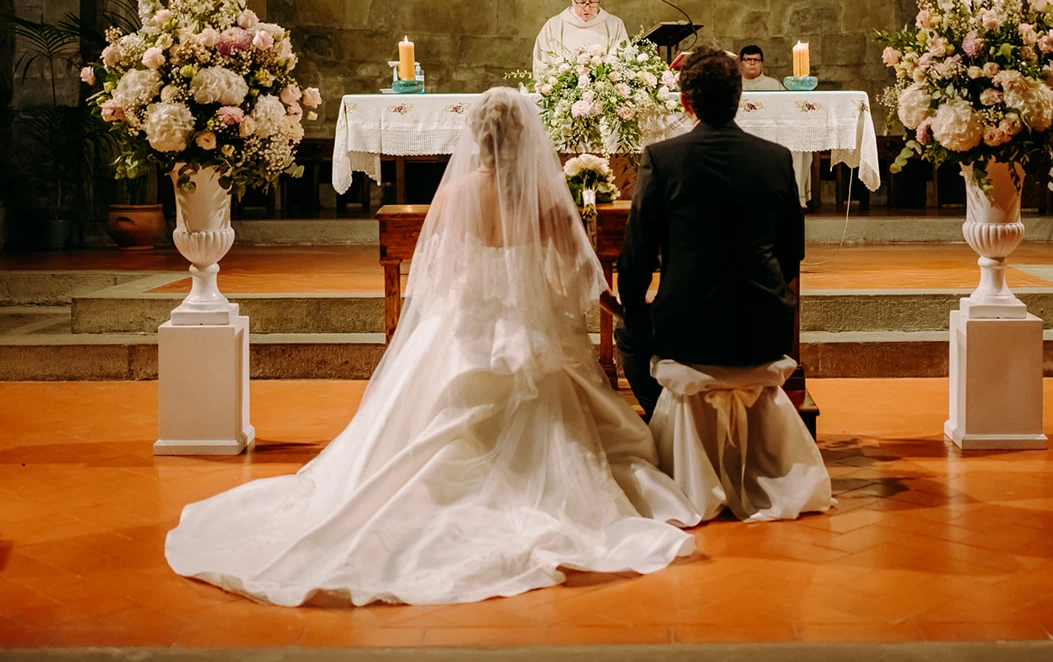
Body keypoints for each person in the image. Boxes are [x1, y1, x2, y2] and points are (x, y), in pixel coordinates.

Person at [166, 88, 699, 607]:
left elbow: (440, 273)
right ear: (525, 139)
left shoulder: (459, 191)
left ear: (479, 140)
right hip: (528, 337)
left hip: (463, 328)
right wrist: (621, 314)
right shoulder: (543, 194)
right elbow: (584, 277)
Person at [606, 47, 806, 417]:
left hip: (686, 329)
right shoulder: (775, 158)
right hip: (763, 328)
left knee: (630, 338)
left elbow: (637, 256)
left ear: (685, 103)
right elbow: (791, 254)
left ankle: (667, 424)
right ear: (739, 97)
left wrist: (634, 309)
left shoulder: (662, 158)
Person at [737, 44, 813, 207]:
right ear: (740, 63)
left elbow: (787, 111)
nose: (752, 63)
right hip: (741, 134)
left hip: (770, 134)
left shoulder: (773, 85)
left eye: (756, 60)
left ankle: (795, 196)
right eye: (748, 59)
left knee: (799, 145)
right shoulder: (733, 85)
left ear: (762, 64)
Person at [532, 0, 629, 74]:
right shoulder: (553, 26)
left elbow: (626, 61)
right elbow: (541, 65)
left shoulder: (614, 25)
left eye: (592, 1)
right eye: (581, 2)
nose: (587, 8)